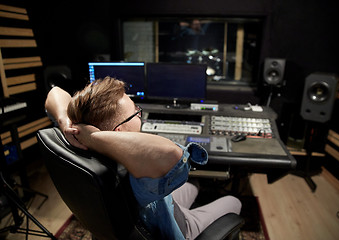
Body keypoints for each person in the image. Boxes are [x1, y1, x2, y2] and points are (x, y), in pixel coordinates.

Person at [45, 76, 241, 240]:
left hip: (162, 206)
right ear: (118, 132)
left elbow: (55, 93)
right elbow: (172, 153)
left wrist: (66, 121)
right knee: (234, 201)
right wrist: (95, 136)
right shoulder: (133, 171)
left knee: (193, 186)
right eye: (136, 113)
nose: (140, 116)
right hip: (177, 228)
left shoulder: (80, 140)